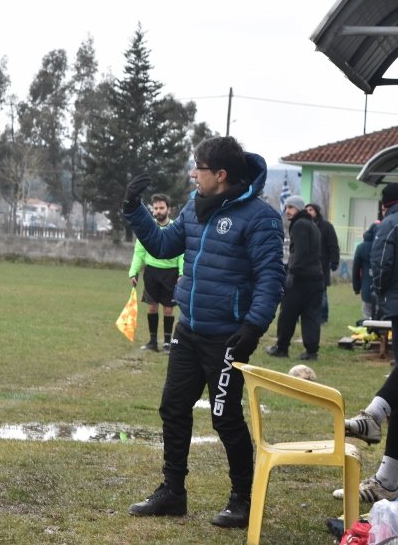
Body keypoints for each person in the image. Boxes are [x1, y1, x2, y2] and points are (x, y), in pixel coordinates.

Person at [122, 136, 285, 530]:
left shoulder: (260, 218)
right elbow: (162, 246)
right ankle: (172, 492)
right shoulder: (195, 210)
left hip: (229, 337)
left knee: (225, 418)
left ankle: (242, 500)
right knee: (173, 408)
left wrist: (253, 326)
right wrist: (134, 209)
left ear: (222, 175)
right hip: (189, 330)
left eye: (199, 168)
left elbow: (271, 278)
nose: (193, 174)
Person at [334, 184, 398, 504]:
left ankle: (375, 415)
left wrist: (381, 294)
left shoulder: (390, 222)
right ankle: (388, 480)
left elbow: (382, 265)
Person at [265, 195, 324, 360]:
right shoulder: (312, 224)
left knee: (287, 314)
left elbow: (300, 252)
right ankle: (312, 351)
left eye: (291, 207)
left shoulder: (299, 224)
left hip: (300, 278)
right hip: (315, 277)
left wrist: (291, 273)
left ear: (299, 208)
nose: (287, 211)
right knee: (311, 316)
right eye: (287, 207)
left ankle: (282, 348)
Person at [128, 193, 183, 352]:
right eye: (155, 208)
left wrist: (181, 273)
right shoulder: (148, 228)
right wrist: (134, 272)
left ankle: (167, 343)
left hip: (171, 274)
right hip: (151, 272)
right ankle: (152, 341)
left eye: (161, 208)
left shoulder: (175, 228)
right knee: (151, 307)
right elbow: (139, 251)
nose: (158, 211)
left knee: (168, 308)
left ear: (169, 210)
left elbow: (181, 253)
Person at [306, 203, 340, 324]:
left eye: (311, 209)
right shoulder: (304, 226)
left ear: (317, 211)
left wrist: (334, 261)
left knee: (322, 292)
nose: (308, 212)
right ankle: (306, 315)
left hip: (322, 264)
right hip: (306, 265)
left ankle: (323, 317)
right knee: (306, 292)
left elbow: (333, 245)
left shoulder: (326, 227)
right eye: (307, 210)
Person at [352, 222, 380, 320]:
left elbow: (356, 269)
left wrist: (356, 287)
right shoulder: (384, 245)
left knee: (367, 316)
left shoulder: (361, 247)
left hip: (366, 287)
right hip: (383, 291)